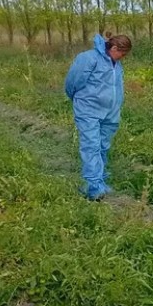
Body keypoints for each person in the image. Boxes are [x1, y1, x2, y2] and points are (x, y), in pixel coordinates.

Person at [64, 32, 132, 201]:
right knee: (91, 146)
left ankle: (100, 180)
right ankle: (92, 186)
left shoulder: (116, 64)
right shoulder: (88, 58)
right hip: (89, 111)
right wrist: (81, 101)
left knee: (102, 146)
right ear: (114, 48)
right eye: (122, 54)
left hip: (110, 113)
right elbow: (72, 83)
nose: (123, 58)